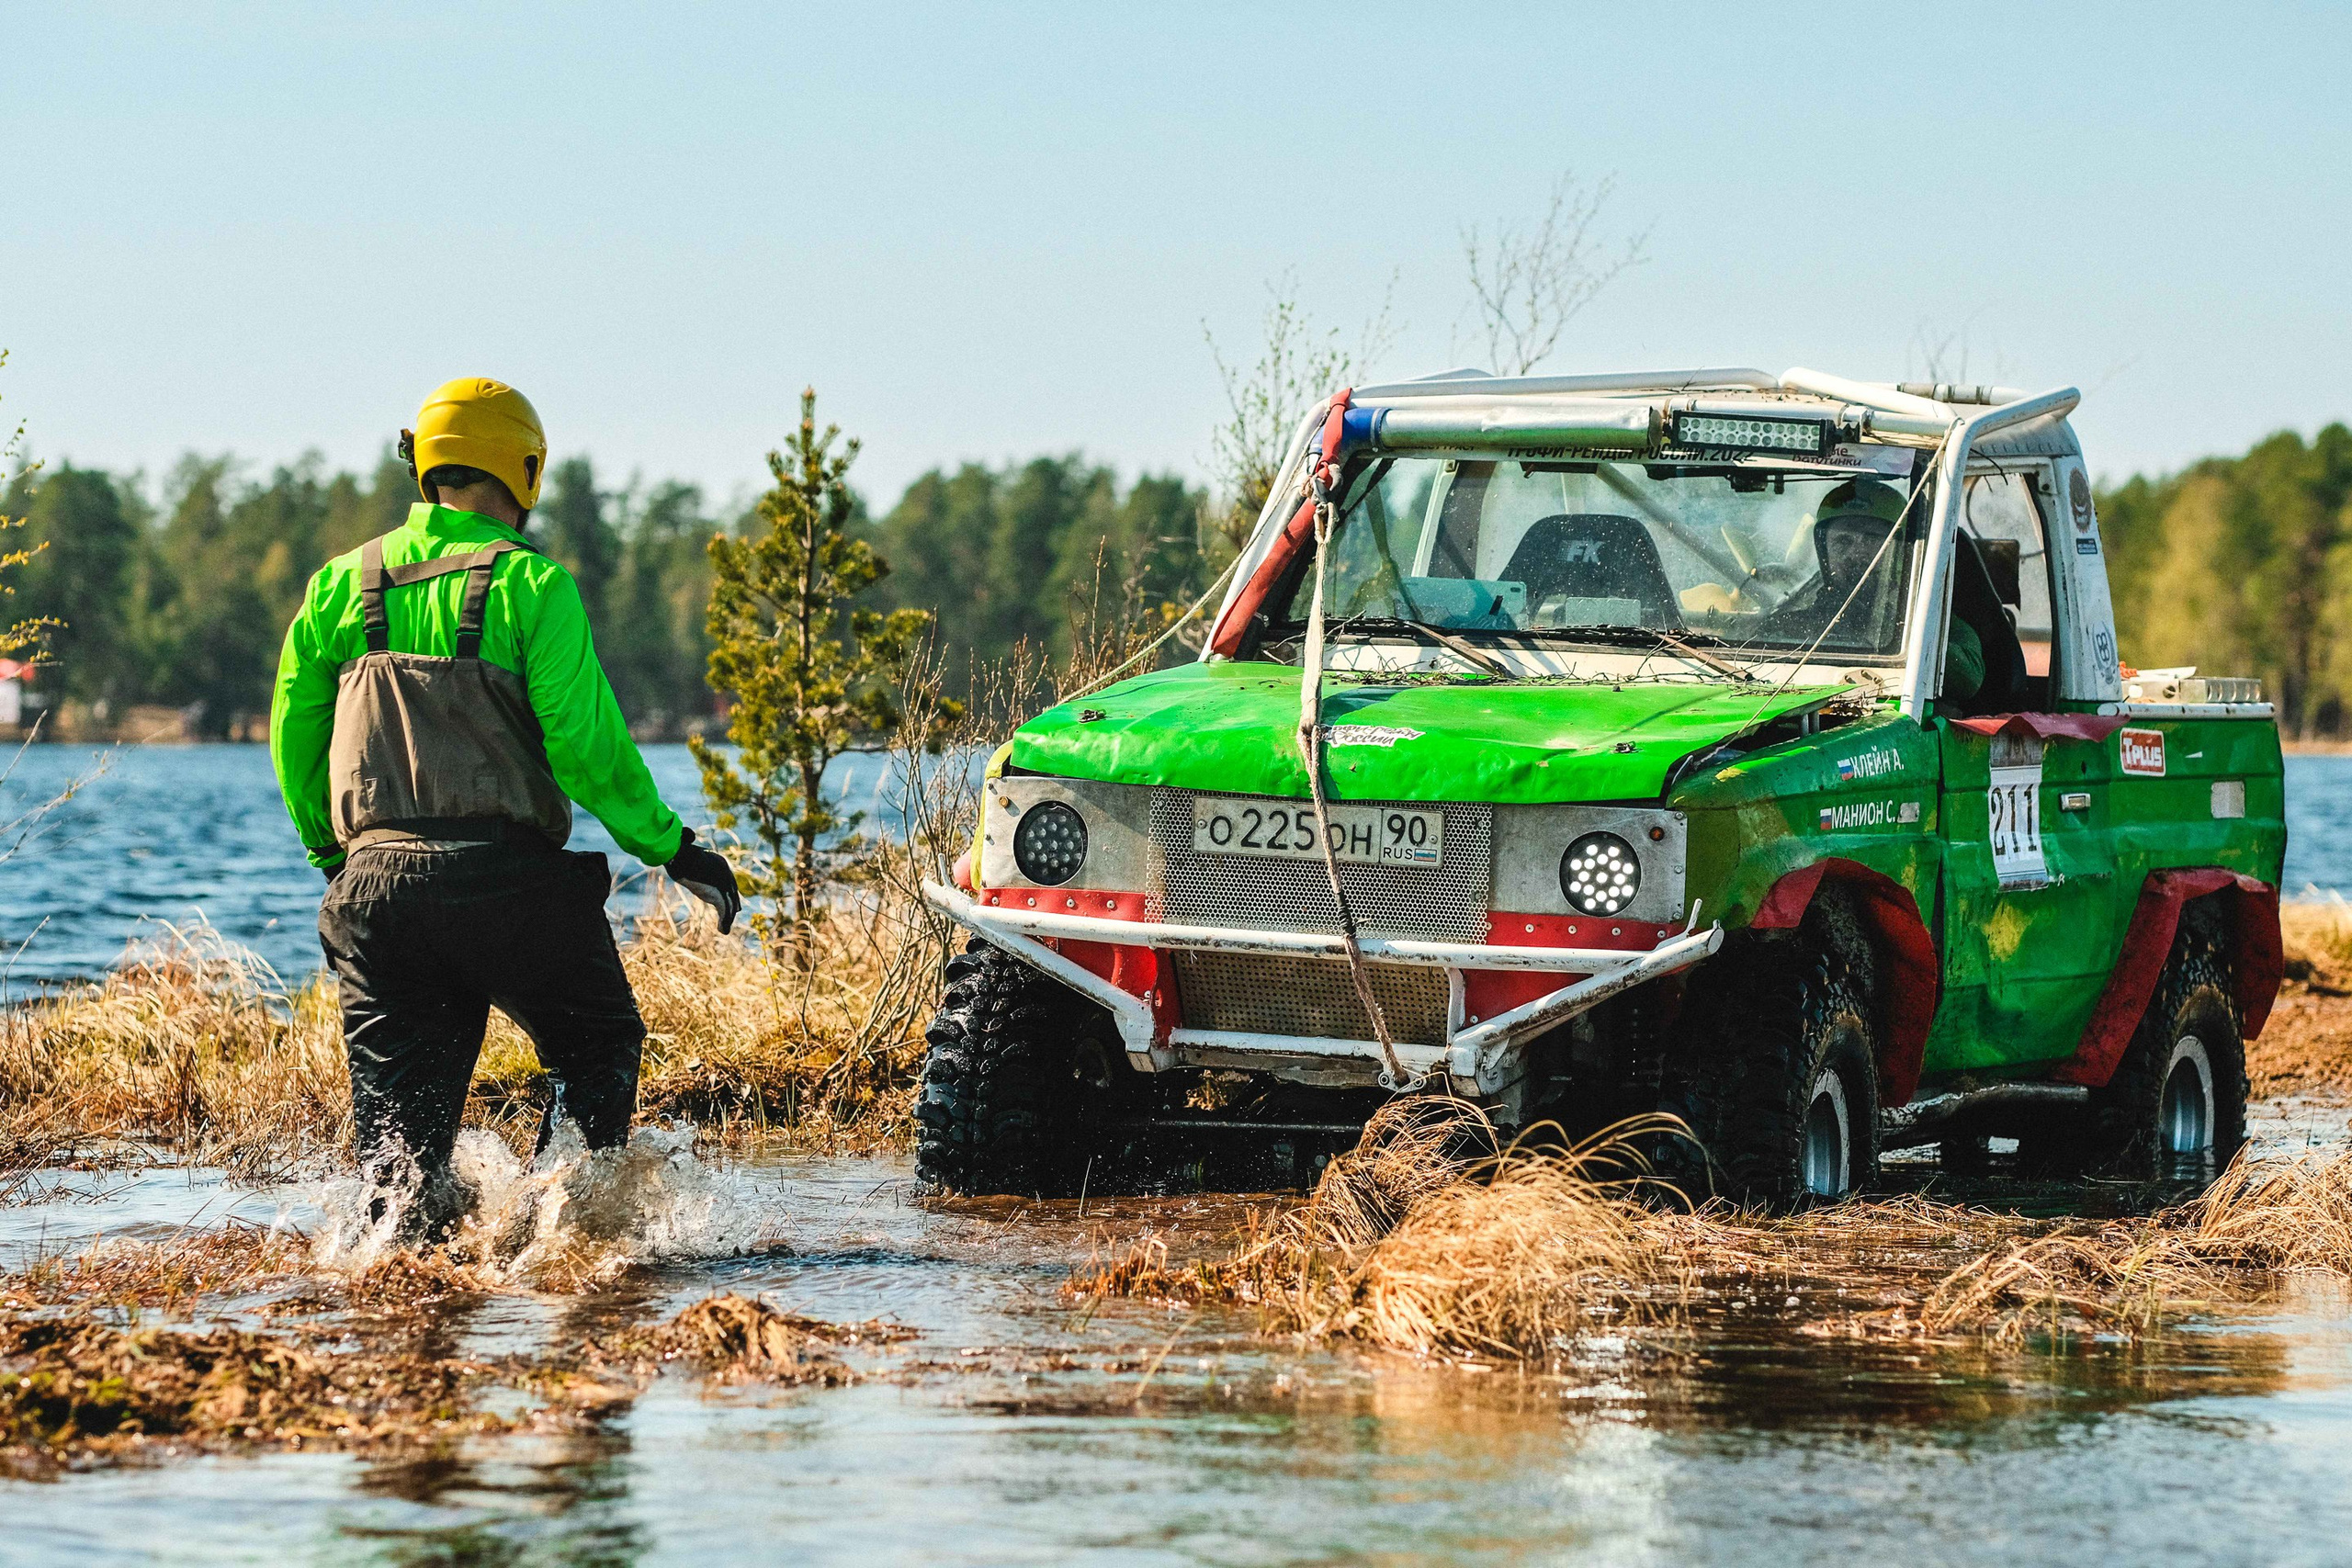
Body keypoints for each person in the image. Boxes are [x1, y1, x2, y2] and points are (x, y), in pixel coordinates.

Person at [270, 378, 741, 1232]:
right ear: (524, 468)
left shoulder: (339, 585)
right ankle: (555, 1231)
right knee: (598, 1043)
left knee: (396, 1163)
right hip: (515, 891)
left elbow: (293, 739)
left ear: (426, 465)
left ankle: (394, 1274)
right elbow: (585, 748)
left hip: (378, 896)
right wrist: (672, 848)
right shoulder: (534, 587)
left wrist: (333, 854)